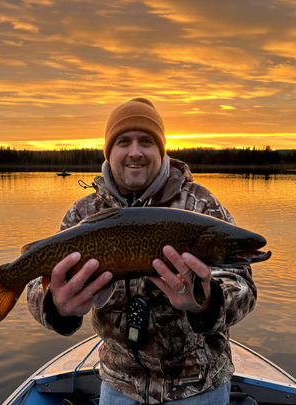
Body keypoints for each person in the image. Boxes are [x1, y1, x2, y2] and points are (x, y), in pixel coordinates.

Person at [27, 98, 257, 404]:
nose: (135, 152)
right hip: (119, 386)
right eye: (124, 141)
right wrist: (57, 306)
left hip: (199, 387)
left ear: (161, 149)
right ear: (109, 151)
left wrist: (207, 301)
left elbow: (243, 286)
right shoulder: (84, 214)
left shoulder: (201, 206)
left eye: (146, 141)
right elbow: (35, 282)